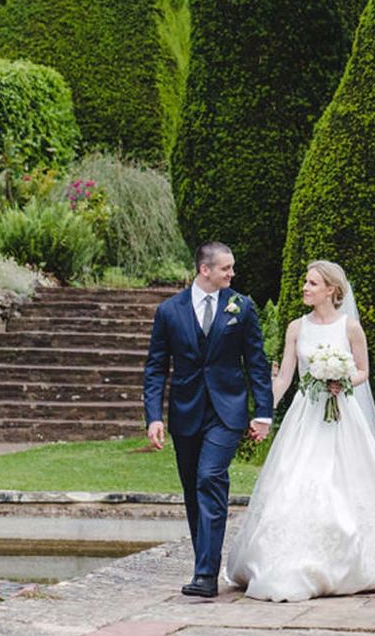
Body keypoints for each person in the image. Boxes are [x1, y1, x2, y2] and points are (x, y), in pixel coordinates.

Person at [226, 259, 375, 601]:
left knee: (348, 483)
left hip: (342, 416)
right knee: (295, 481)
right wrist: (264, 411)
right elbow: (284, 378)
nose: (305, 288)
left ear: (332, 290)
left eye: (312, 283)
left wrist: (342, 378)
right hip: (305, 417)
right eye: (305, 283)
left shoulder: (350, 327)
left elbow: (363, 371)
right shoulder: (297, 327)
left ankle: (359, 559)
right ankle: (283, 560)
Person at [143, 240, 273, 599]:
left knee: (209, 478)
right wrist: (153, 416)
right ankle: (205, 561)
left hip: (226, 410)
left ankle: (205, 574)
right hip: (185, 414)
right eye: (226, 269)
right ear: (205, 270)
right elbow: (156, 368)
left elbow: (257, 363)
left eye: (232, 268)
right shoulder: (169, 312)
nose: (232, 274)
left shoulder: (241, 308)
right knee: (192, 490)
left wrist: (263, 412)